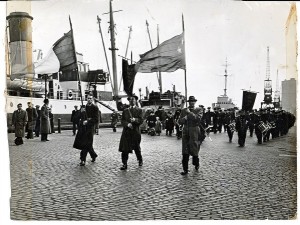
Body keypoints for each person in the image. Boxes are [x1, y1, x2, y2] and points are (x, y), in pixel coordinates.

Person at [118, 95, 143, 170]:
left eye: (133, 99)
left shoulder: (139, 110)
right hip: (126, 132)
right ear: (129, 101)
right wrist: (127, 124)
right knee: (125, 149)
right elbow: (122, 120)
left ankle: (140, 160)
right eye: (130, 100)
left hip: (135, 132)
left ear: (136, 101)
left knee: (136, 148)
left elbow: (141, 120)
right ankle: (124, 164)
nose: (132, 101)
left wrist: (135, 120)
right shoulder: (125, 110)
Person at [178, 96, 202, 175]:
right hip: (186, 131)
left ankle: (196, 163)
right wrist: (184, 118)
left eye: (193, 101)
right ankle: (185, 169)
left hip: (194, 130)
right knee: (185, 150)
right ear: (188, 102)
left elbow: (197, 119)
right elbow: (180, 121)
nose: (191, 102)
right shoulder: (183, 110)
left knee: (194, 148)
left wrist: (189, 113)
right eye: (190, 101)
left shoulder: (199, 110)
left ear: (195, 102)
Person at [78, 95, 99, 166]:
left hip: (90, 128)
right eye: (88, 98)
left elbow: (96, 119)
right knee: (87, 143)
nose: (89, 100)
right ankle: (93, 155)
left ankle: (82, 159)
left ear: (92, 99)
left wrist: (88, 121)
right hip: (84, 128)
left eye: (90, 98)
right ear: (86, 99)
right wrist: (81, 112)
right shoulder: (84, 107)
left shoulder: (95, 107)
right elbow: (79, 117)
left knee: (87, 143)